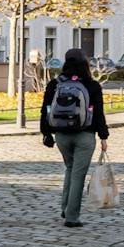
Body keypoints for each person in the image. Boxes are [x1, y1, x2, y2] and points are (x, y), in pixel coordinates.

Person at [40, 47, 109, 228]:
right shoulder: (91, 85)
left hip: (62, 135)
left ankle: (65, 207)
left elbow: (46, 110)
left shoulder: (55, 84)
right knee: (78, 174)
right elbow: (99, 114)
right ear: (85, 63)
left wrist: (46, 133)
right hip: (85, 136)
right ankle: (72, 216)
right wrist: (104, 136)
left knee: (70, 169)